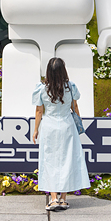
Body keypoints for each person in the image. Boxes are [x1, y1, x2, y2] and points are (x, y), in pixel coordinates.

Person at [31, 57, 90, 212]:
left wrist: (36, 129)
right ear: (63, 70)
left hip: (49, 127)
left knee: (49, 160)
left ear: (48, 72)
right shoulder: (70, 87)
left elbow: (39, 111)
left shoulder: (42, 88)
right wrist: (79, 122)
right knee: (67, 160)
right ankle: (63, 199)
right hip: (67, 126)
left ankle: (53, 198)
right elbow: (75, 106)